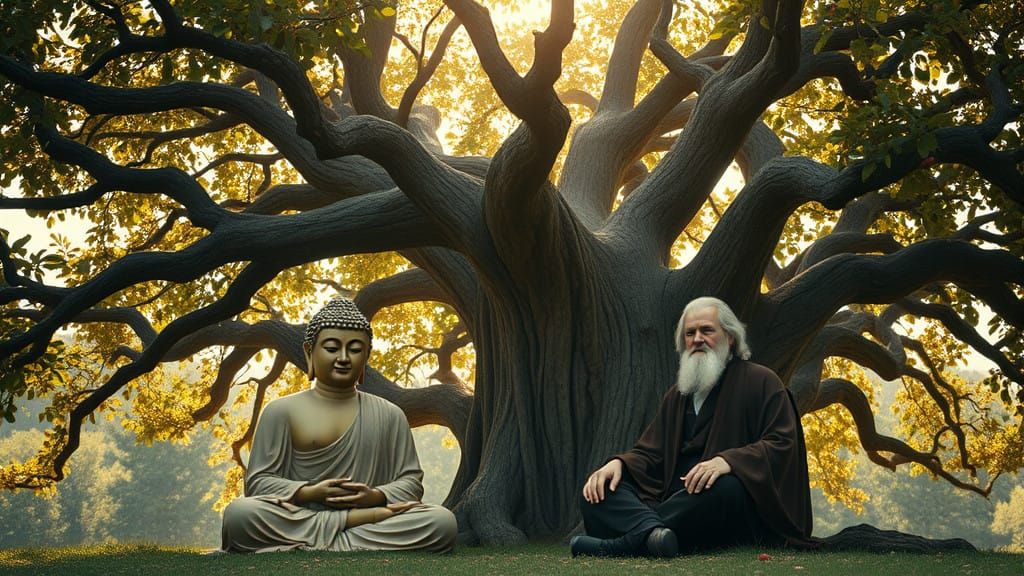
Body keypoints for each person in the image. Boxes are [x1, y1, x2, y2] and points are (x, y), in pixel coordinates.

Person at [572, 296, 813, 558]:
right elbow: (651, 455)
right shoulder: (678, 396)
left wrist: (728, 461)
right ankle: (655, 536)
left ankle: (625, 542)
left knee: (727, 488)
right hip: (678, 503)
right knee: (597, 490)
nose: (697, 338)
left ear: (730, 338)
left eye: (707, 330)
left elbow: (782, 443)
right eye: (690, 333)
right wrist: (618, 464)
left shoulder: (762, 381)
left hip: (721, 503)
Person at [220, 297, 457, 553]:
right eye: (332, 348)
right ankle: (347, 535)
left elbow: (411, 483)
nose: (344, 358)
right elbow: (258, 483)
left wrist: (376, 496)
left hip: (364, 516)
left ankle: (326, 540)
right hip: (307, 515)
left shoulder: (390, 414)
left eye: (355, 350)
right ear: (309, 353)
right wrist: (308, 493)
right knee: (239, 514)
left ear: (366, 356)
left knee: (441, 522)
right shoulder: (281, 411)